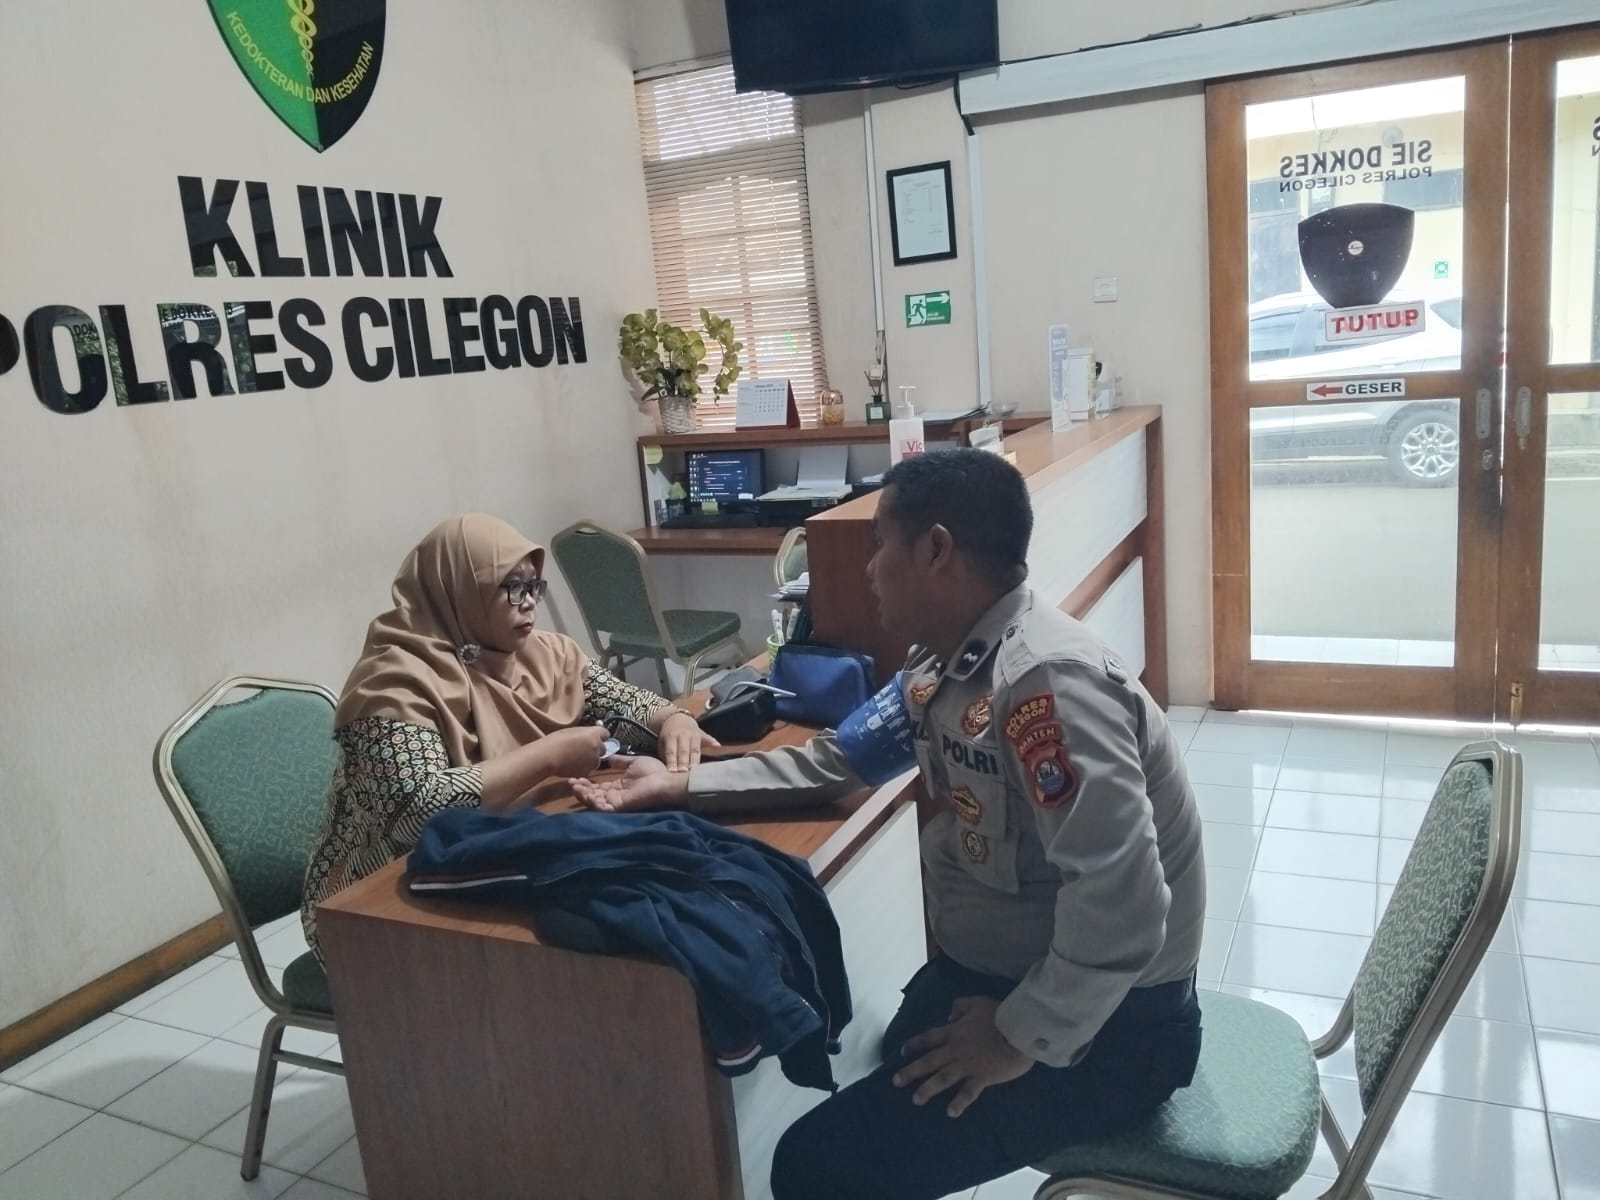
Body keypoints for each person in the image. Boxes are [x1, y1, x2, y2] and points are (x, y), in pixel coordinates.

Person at [572, 450, 1206, 1200]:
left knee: (813, 1166)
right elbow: (838, 760)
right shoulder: (943, 664)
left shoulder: (1047, 685)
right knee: (892, 1053)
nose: (869, 568)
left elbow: (1125, 905)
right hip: (1014, 968)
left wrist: (1015, 1038)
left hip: (1114, 1027)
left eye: (880, 545)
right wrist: (680, 785)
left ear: (936, 550)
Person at [300, 513, 716, 960]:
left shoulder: (543, 653)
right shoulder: (393, 683)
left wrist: (673, 720)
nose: (529, 603)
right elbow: (415, 813)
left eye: (534, 586)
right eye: (511, 587)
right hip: (376, 904)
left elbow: (625, 702)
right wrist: (548, 755)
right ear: (458, 591)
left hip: (496, 855)